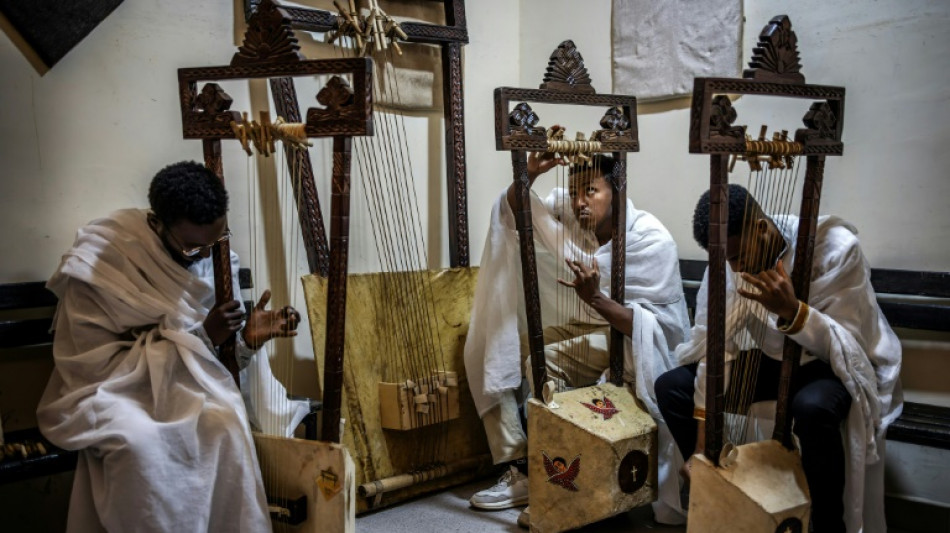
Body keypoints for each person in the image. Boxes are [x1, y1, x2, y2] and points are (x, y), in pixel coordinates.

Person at [37, 161, 304, 532]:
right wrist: (204, 336)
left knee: (224, 423)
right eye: (195, 246)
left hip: (186, 387)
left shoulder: (215, 256)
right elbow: (91, 365)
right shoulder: (106, 258)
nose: (208, 253)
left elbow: (213, 365)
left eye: (217, 240)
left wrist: (243, 341)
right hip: (115, 391)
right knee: (141, 445)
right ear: (156, 224)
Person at [655, 184, 902, 533]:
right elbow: (715, 344)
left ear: (761, 228)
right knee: (671, 386)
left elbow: (851, 347)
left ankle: (827, 523)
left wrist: (793, 312)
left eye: (738, 256)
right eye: (726, 259)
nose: (734, 267)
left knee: (813, 408)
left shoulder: (834, 247)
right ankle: (725, 493)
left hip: (832, 366)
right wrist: (699, 448)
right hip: (774, 360)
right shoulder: (728, 262)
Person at [463, 150, 691, 523]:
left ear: (616, 191)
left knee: (543, 360)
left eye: (591, 191)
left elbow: (653, 329)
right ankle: (520, 460)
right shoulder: (572, 215)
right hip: (586, 322)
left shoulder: (651, 239)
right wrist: (529, 175)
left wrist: (597, 298)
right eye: (573, 191)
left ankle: (563, 474)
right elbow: (514, 210)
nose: (579, 201)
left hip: (626, 338)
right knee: (499, 347)